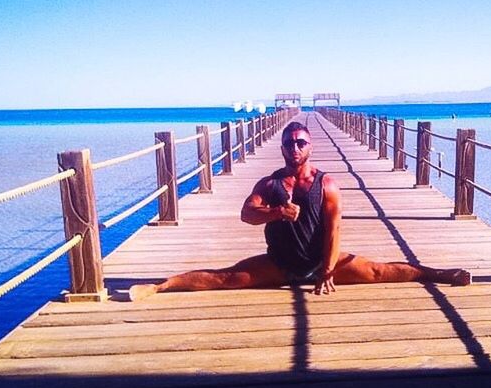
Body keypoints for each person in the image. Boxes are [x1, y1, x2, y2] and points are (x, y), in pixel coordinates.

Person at [129, 121, 471, 300]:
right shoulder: (269, 184)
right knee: (226, 278)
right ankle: (160, 287)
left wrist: (326, 270)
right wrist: (276, 212)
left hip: (323, 263)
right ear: (282, 148)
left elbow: (334, 231)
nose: (295, 148)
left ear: (310, 147)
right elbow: (247, 214)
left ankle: (440, 273)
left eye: (301, 143)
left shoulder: (328, 184)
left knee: (380, 271)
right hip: (280, 264)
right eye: (290, 143)